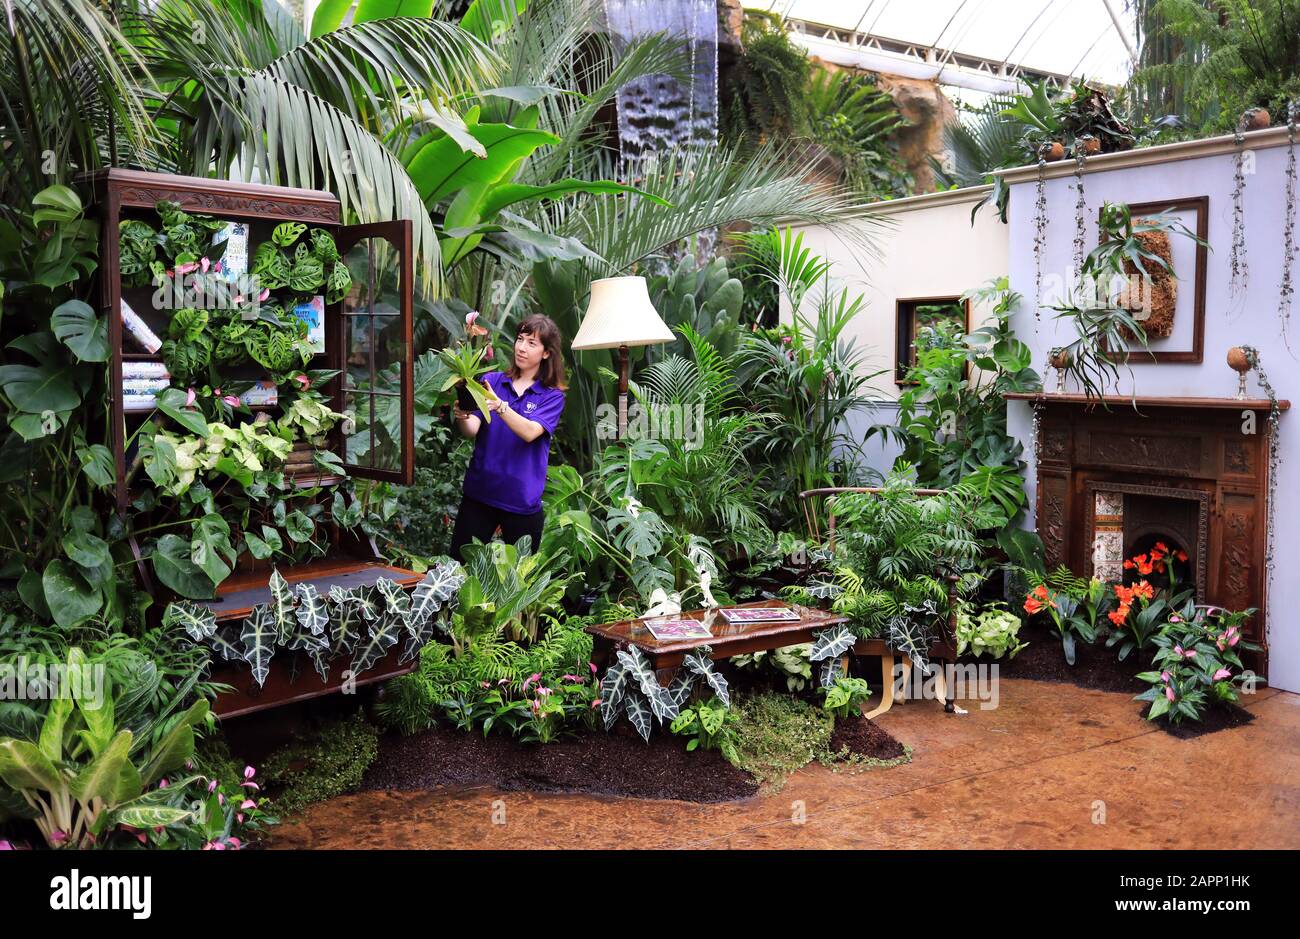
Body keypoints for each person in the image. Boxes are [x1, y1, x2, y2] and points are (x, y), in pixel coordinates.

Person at [448, 314, 567, 562]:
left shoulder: (552, 396)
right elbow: (472, 429)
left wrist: (500, 406)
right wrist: (462, 415)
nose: (521, 348)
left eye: (532, 343)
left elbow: (530, 432)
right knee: (458, 570)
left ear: (546, 353)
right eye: (520, 339)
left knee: (518, 583)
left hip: (522, 502)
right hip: (479, 494)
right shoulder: (492, 381)